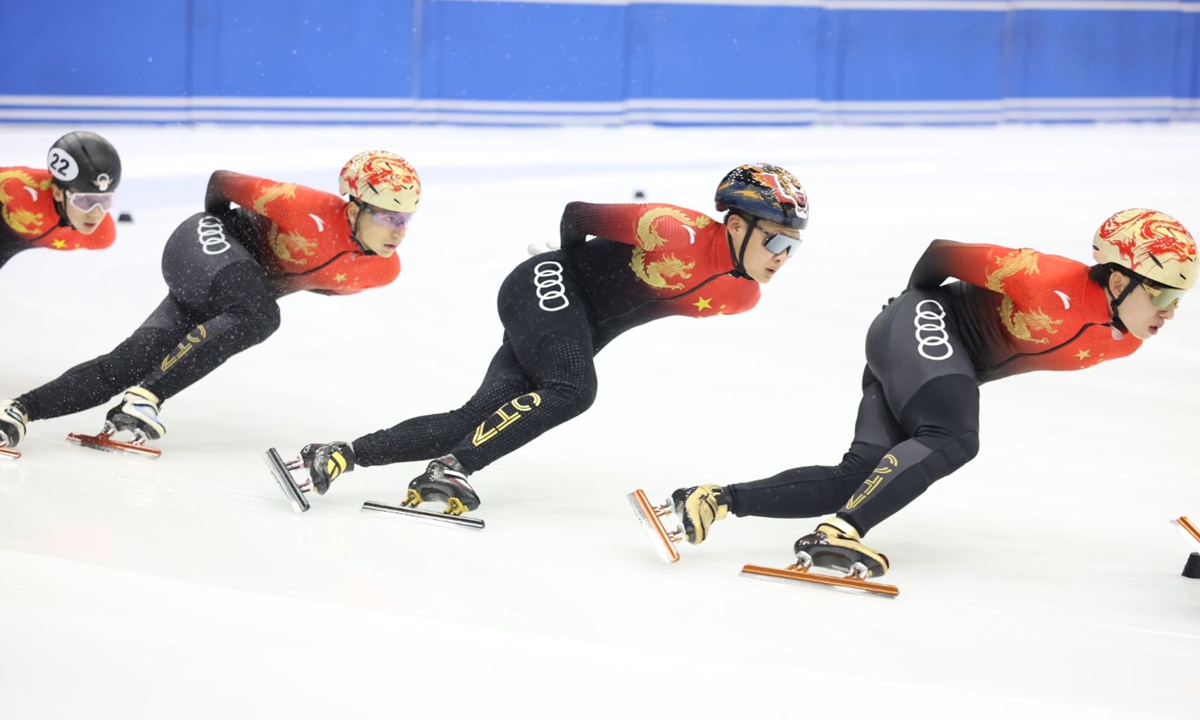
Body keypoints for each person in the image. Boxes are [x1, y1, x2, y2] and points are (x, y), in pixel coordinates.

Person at [659, 208, 1195, 577]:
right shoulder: (1041, 277)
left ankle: (714, 500)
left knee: (858, 477)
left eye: (1182, 296)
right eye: (1164, 292)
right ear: (1119, 279)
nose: (1172, 310)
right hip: (926, 326)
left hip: (931, 363)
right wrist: (910, 307)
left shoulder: (1126, 340)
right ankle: (839, 533)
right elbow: (941, 253)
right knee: (955, 435)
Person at [288, 163, 809, 516]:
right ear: (736, 225)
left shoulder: (741, 297)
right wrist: (564, 266)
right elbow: (576, 215)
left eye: (794, 246)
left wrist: (573, 329)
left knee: (476, 417)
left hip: (577, 328)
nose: (783, 256)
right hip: (548, 286)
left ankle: (337, 454)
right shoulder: (672, 228)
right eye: (777, 239)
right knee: (575, 389)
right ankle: (453, 468)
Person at [0, 151, 420, 453]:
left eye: (405, 219)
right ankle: (144, 399)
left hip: (232, 290)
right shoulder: (300, 204)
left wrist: (236, 285)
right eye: (387, 216)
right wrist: (221, 233)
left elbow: (318, 283)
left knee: (132, 359)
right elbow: (221, 181)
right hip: (206, 243)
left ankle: (18, 411)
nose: (398, 230)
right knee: (261, 315)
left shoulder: (383, 271)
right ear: (353, 208)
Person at [0, 131, 121, 270]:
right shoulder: (21, 187)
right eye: (84, 200)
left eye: (105, 200)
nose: (95, 213)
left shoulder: (102, 235)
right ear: (57, 192)